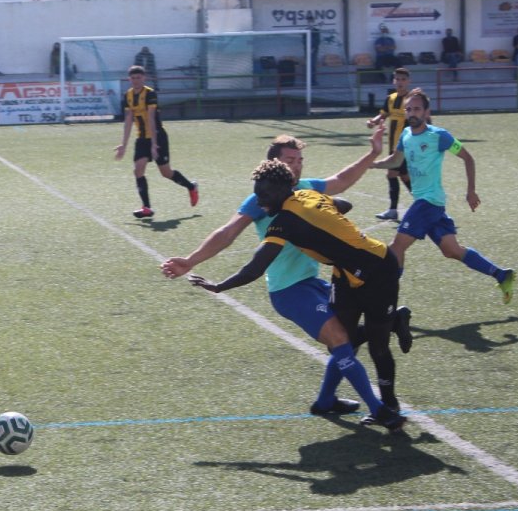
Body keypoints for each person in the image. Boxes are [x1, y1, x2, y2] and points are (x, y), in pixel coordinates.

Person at [162, 128, 415, 411]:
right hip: (287, 287)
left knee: (345, 339)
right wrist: (191, 260)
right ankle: (378, 405)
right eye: (290, 160)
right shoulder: (264, 197)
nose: (296, 165)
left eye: (299, 159)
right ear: (275, 163)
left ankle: (326, 400)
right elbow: (227, 233)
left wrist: (372, 154)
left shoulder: (305, 187)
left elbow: (341, 182)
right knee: (342, 339)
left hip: (314, 280)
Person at [373, 89, 516, 304]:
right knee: (452, 250)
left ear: (426, 112)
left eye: (417, 109)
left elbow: (468, 158)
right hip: (430, 204)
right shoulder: (406, 135)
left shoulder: (439, 135)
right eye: (408, 109)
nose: (412, 113)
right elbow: (395, 160)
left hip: (428, 202)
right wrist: (371, 163)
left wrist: (471, 190)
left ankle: (385, 303)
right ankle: (501, 274)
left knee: (397, 246)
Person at [113, 65, 198, 219]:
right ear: (129, 79)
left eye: (139, 78)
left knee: (166, 173)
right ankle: (146, 207)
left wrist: (154, 143)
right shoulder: (128, 96)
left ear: (144, 78)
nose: (136, 81)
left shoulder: (150, 94)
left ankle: (191, 187)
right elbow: (128, 120)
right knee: (138, 170)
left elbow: (151, 118)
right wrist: (123, 145)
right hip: (141, 138)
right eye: (133, 78)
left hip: (158, 137)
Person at [365, 67, 413, 221]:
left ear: (408, 81)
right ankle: (427, 205)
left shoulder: (411, 99)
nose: (400, 82)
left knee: (392, 173)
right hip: (393, 145)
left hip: (406, 145)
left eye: (403, 79)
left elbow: (422, 117)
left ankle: (394, 210)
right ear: (394, 81)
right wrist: (374, 121)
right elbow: (383, 114)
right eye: (397, 79)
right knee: (404, 176)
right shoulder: (391, 98)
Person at [305, 14, 321, 85]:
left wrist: (313, 48)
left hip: (314, 51)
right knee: (307, 66)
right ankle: (308, 81)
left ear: (313, 22)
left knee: (313, 65)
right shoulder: (305, 31)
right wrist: (307, 48)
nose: (310, 23)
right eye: (309, 21)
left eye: (311, 21)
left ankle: (313, 81)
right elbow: (303, 41)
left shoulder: (316, 31)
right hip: (307, 51)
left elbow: (318, 41)